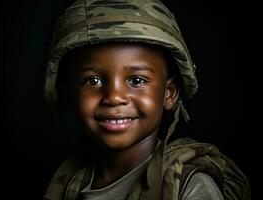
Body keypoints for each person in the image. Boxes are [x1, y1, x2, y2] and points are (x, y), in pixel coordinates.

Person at [43, 0, 251, 199]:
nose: (114, 97)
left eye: (136, 80)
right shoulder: (67, 181)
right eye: (93, 80)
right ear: (70, 93)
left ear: (169, 93)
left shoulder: (188, 188)